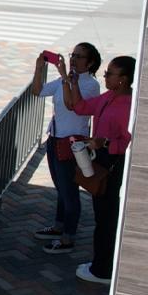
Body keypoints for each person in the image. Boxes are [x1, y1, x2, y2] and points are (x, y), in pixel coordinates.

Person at [61, 55, 134, 285]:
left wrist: (105, 143)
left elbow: (129, 142)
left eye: (110, 73)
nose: (105, 76)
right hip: (101, 159)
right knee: (101, 216)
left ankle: (103, 270)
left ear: (123, 79)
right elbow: (80, 107)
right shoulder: (109, 97)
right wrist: (72, 82)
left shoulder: (128, 106)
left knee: (107, 219)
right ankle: (100, 264)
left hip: (114, 165)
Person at [31, 44, 102, 255]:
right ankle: (58, 226)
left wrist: (64, 77)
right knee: (60, 188)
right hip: (55, 139)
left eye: (79, 57)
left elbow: (73, 104)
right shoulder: (67, 78)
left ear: (90, 63)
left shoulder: (91, 85)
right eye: (73, 55)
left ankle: (68, 237)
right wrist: (39, 68)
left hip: (72, 144)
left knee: (69, 191)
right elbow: (38, 91)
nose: (73, 60)